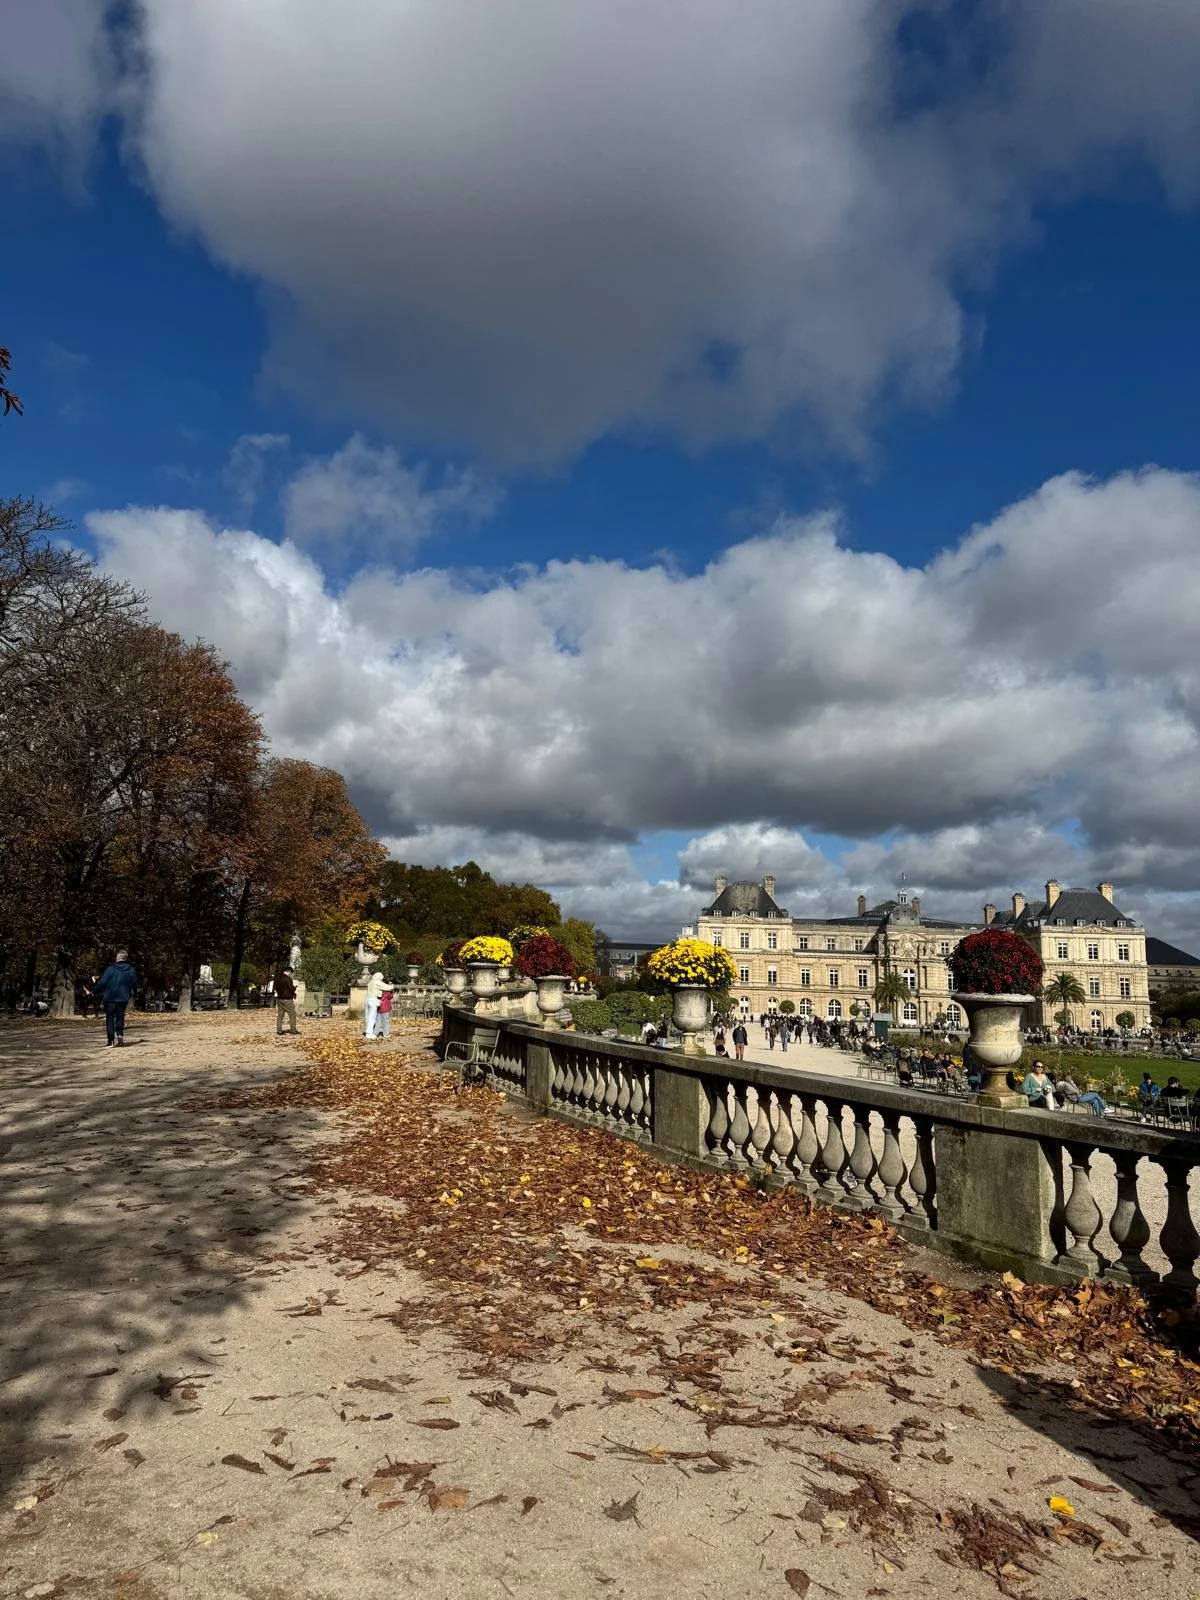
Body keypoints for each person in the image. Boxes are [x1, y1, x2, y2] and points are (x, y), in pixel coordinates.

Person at [98, 949, 136, 1047]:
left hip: (110, 997)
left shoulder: (111, 969)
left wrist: (94, 990)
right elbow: (134, 983)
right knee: (120, 1018)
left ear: (118, 958)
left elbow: (102, 982)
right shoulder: (131, 970)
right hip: (123, 998)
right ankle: (120, 1036)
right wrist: (130, 992)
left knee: (109, 1019)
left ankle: (110, 1041)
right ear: (125, 959)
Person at [275, 966, 300, 1036]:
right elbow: (291, 988)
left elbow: (276, 988)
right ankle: (293, 1030)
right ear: (288, 972)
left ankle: (279, 1030)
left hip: (279, 999)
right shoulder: (288, 979)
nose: (291, 975)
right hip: (287, 999)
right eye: (291, 973)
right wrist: (294, 988)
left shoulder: (277, 978)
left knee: (280, 1015)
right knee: (292, 1014)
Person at [364, 968, 386, 1039]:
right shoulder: (377, 981)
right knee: (372, 1017)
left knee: (368, 1016)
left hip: (367, 999)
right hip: (372, 1000)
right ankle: (369, 1033)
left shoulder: (370, 982)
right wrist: (392, 986)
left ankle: (368, 1031)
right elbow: (386, 987)